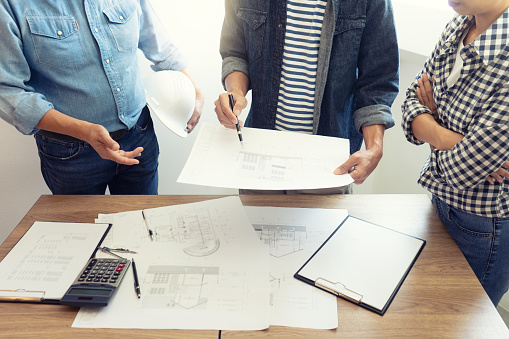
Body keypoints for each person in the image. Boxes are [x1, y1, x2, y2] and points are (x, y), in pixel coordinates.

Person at [0, 0, 203, 195]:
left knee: (144, 221)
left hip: (139, 134)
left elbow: (157, 41)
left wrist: (191, 86)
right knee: (83, 229)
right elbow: (7, 89)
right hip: (70, 153)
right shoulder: (9, 4)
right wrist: (84, 131)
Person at [214, 0, 399, 193]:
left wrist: (374, 147)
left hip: (329, 168)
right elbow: (235, 52)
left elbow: (378, 80)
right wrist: (235, 92)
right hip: (259, 160)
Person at [401, 0, 509, 306]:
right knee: (429, 311)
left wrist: (433, 118)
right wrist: (456, 138)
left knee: (465, 323)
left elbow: (462, 170)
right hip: (441, 203)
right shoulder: (459, 25)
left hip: (484, 223)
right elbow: (411, 101)